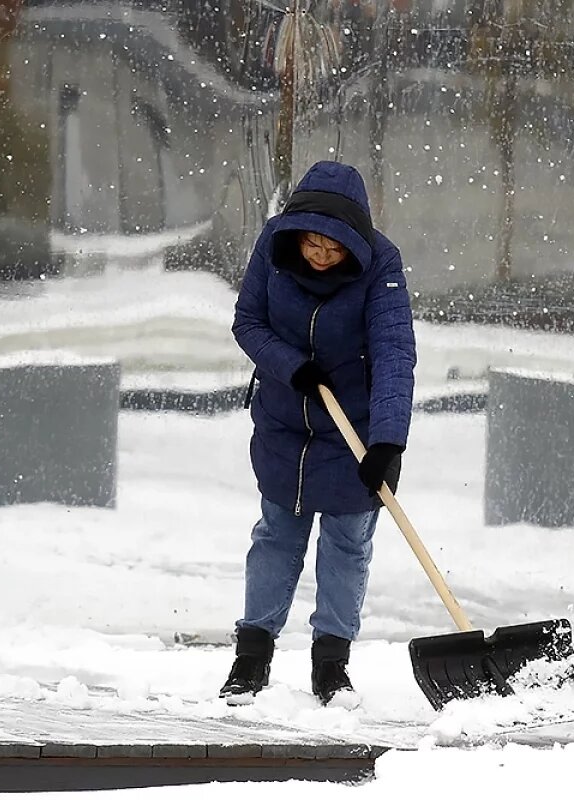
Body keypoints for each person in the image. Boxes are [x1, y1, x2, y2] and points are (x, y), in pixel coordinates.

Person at [225, 160, 416, 706]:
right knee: (277, 535)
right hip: (285, 420)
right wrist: (293, 367)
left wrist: (387, 441)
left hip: (353, 427)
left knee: (348, 542)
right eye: (313, 244)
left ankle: (331, 664)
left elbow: (394, 352)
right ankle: (251, 655)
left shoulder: (381, 263)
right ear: (297, 233)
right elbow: (248, 322)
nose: (322, 256)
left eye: (335, 249)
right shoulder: (273, 245)